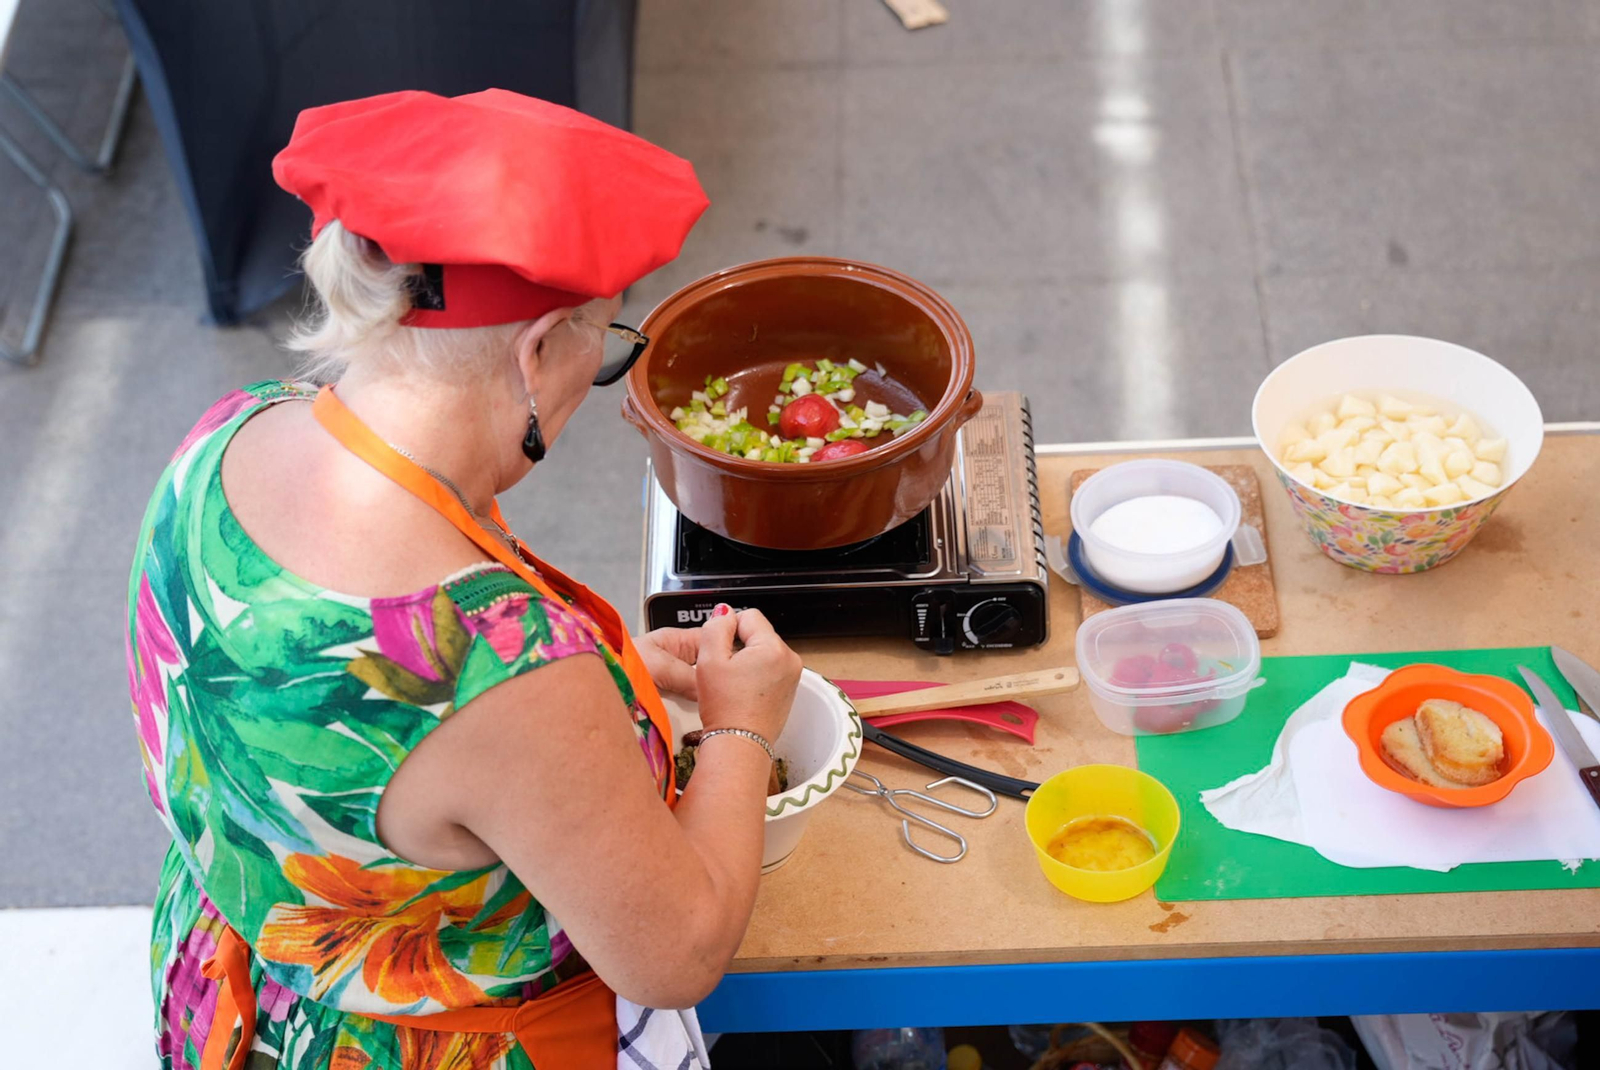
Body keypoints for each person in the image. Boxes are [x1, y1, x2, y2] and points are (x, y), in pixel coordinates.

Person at [127, 89, 803, 1070]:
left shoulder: (227, 434)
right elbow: (676, 952)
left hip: (234, 991)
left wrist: (600, 696)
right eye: (603, 346)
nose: (595, 386)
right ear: (536, 353)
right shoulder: (503, 670)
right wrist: (742, 722)